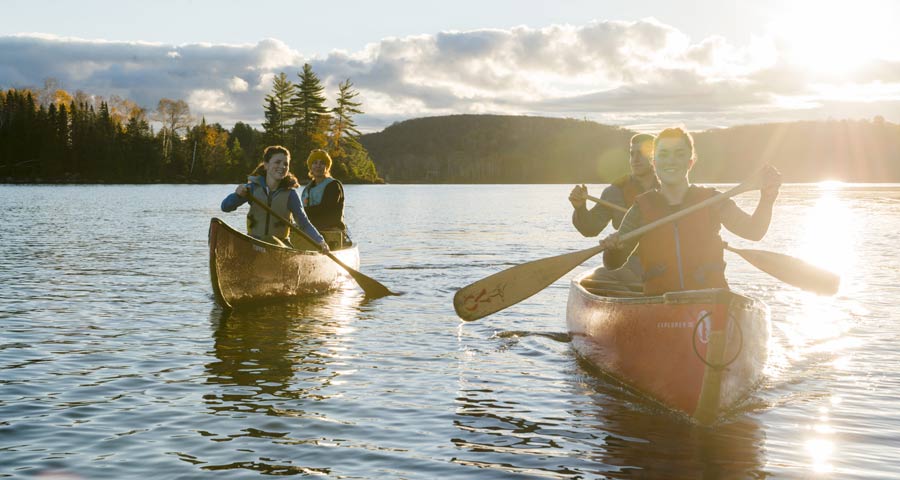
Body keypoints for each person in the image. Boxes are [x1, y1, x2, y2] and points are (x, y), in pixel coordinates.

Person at [599, 127, 782, 296]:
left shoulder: (713, 200)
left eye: (679, 154)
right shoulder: (641, 208)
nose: (671, 160)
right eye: (664, 154)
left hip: (710, 305)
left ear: (690, 162)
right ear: (654, 163)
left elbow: (754, 231)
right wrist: (614, 248)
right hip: (660, 307)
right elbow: (613, 263)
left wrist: (767, 199)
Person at [568, 133, 659, 287]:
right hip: (625, 261)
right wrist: (580, 208)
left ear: (655, 157)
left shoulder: (670, 189)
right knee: (603, 274)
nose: (635, 159)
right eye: (632, 154)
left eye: (642, 153)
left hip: (663, 259)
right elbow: (590, 228)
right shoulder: (615, 191)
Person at [221, 145, 329, 252]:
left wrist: (320, 242)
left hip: (280, 247)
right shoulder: (252, 189)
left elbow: (304, 224)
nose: (282, 167)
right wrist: (237, 195)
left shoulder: (291, 195)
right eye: (277, 162)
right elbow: (225, 207)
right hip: (254, 244)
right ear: (266, 165)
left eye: (285, 164)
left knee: (270, 240)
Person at [301, 149, 350, 249]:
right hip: (311, 230)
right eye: (315, 163)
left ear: (327, 167)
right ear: (310, 166)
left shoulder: (333, 185)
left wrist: (300, 212)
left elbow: (326, 208)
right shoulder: (307, 189)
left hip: (331, 230)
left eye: (322, 163)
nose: (318, 166)